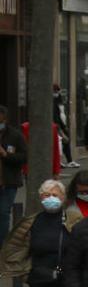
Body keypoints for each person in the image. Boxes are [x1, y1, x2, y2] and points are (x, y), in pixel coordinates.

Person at [0, 104, 28, 247]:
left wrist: (6, 155)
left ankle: (3, 244)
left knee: (4, 213)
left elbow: (24, 157)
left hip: (8, 182)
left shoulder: (15, 136)